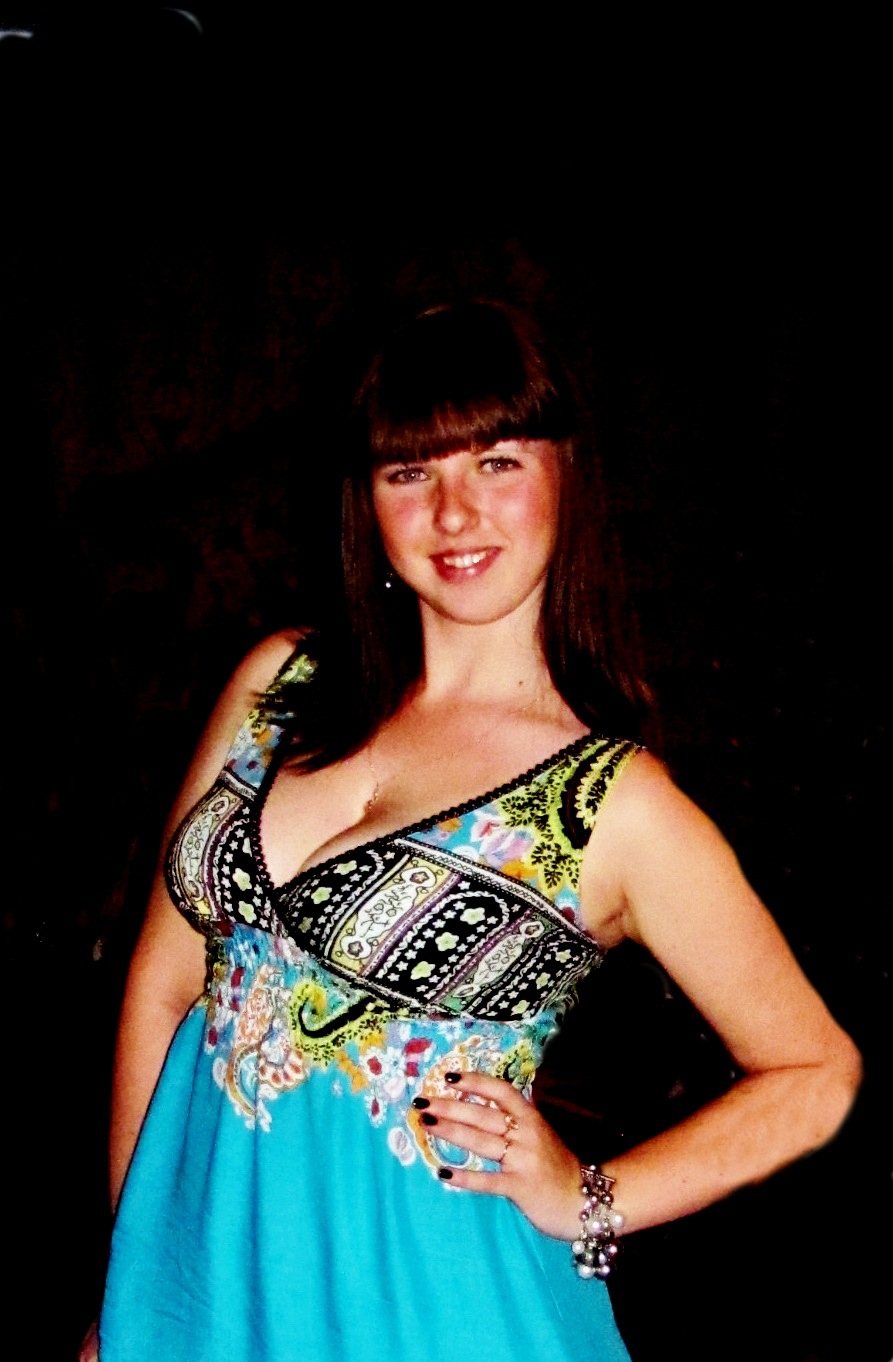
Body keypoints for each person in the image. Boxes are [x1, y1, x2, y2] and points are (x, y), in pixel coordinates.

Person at [84, 298, 861, 1361]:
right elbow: (162, 984)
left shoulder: (611, 804)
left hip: (439, 1311)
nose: (453, 513)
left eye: (496, 462)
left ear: (565, 476)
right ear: (365, 497)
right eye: (410, 471)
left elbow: (814, 1072)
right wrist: (131, 1288)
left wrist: (589, 1197)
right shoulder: (277, 684)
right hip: (213, 1301)